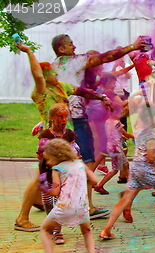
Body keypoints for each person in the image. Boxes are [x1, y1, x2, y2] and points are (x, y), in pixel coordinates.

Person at [13, 43, 112, 232]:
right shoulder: (42, 91)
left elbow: (81, 91)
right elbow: (38, 75)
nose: (56, 74)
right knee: (41, 179)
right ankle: (24, 218)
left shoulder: (60, 87)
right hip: (50, 143)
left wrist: (102, 98)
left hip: (64, 141)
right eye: (51, 72)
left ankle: (55, 209)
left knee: (56, 177)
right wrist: (29, 51)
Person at [50, 34, 148, 219]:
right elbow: (106, 56)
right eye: (70, 44)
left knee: (61, 162)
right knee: (86, 162)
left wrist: (100, 97)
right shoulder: (74, 62)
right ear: (61, 49)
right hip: (75, 119)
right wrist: (132, 46)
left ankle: (57, 204)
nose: (75, 46)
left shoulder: (55, 66)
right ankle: (85, 208)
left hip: (61, 118)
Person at [99, 104, 155, 239]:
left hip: (135, 168)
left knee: (125, 200)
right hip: (146, 169)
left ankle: (106, 230)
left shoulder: (140, 128)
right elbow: (152, 156)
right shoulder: (151, 134)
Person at [39, 138, 98, 253]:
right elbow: (94, 180)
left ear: (56, 156)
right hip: (82, 207)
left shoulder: (57, 169)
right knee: (87, 232)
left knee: (45, 230)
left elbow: (55, 192)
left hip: (64, 207)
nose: (48, 163)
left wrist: (44, 187)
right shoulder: (80, 164)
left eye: (48, 159)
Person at [36, 104, 79, 245]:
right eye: (60, 116)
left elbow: (75, 151)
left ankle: (57, 231)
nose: (63, 119)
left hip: (63, 175)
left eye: (65, 117)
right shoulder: (45, 135)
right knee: (48, 202)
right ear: (52, 118)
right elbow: (40, 154)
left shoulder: (70, 134)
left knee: (59, 203)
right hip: (46, 173)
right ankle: (50, 226)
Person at [92, 73, 133, 195]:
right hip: (111, 133)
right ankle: (98, 182)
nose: (115, 84)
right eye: (113, 82)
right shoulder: (109, 95)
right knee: (113, 154)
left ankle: (129, 180)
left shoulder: (102, 93)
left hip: (105, 125)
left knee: (103, 153)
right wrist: (134, 98)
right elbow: (121, 104)